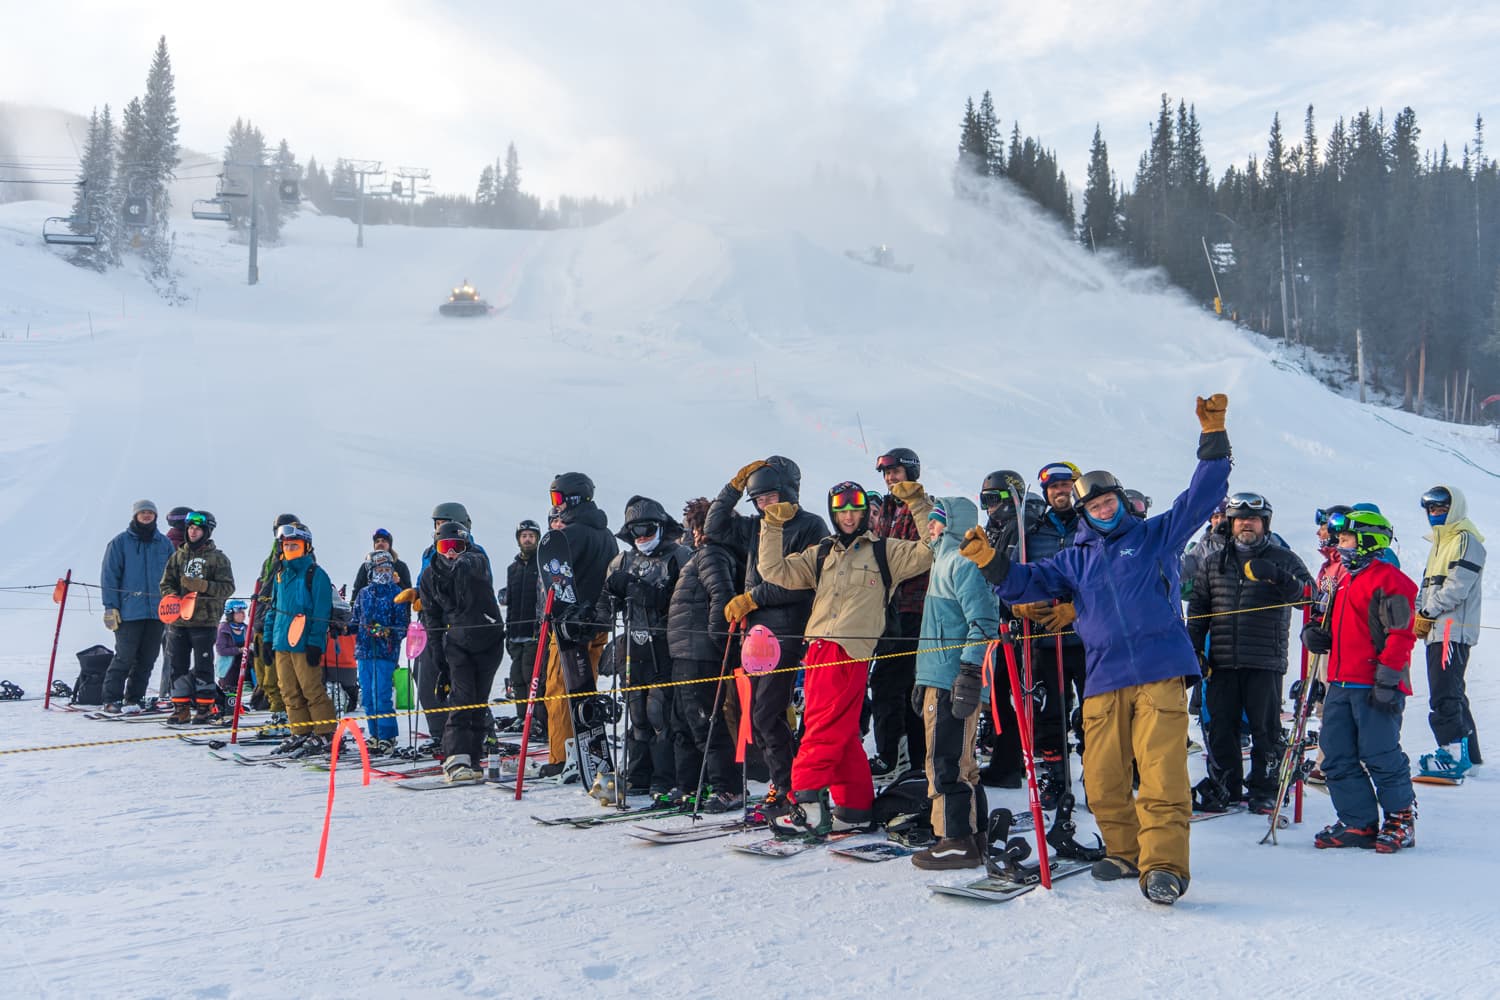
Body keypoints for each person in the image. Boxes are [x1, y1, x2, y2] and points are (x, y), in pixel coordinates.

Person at [960, 394, 1232, 905]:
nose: (1104, 510)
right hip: (1105, 674)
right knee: (1102, 777)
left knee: (1160, 774)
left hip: (1159, 670)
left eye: (1110, 501)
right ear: (1084, 511)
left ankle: (1165, 866)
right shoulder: (1073, 560)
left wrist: (1213, 437)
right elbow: (1023, 584)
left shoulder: (1154, 537)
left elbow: (1202, 495)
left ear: (1121, 501)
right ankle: (1125, 850)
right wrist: (989, 562)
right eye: (1095, 505)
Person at [757, 478, 934, 838]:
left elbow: (931, 549)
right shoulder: (823, 552)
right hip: (818, 648)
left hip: (848, 650)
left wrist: (918, 502)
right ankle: (854, 808)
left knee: (819, 728)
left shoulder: (886, 551)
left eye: (856, 510)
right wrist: (772, 525)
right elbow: (773, 571)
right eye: (841, 511)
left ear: (867, 513)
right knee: (843, 734)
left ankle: (804, 804)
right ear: (833, 513)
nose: (849, 517)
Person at [707, 456, 830, 816]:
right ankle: (787, 783)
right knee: (757, 715)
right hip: (756, 629)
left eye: (769, 496)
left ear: (789, 492)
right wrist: (734, 486)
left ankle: (790, 787)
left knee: (766, 714)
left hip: (788, 626)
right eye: (757, 499)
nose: (764, 505)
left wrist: (752, 597)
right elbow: (715, 527)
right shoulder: (758, 527)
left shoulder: (810, 525)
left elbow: (801, 583)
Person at [1185, 492, 1313, 813]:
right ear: (1231, 523)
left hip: (1265, 658)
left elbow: (1309, 598)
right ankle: (1225, 785)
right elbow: (1198, 608)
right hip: (1222, 660)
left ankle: (1264, 788)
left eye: (1253, 520)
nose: (1246, 525)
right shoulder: (1215, 562)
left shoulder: (1283, 557)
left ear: (1264, 523)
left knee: (1265, 728)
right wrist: (1194, 651)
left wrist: (1279, 577)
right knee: (1221, 727)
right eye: (1240, 519)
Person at [1300, 509, 1419, 852]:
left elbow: (1401, 634)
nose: (1339, 544)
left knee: (1379, 752)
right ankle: (1358, 821)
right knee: (1336, 754)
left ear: (1369, 540)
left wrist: (1387, 680)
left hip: (1375, 683)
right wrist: (1314, 633)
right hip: (1340, 680)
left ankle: (1400, 818)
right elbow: (1325, 618)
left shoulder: (1391, 580)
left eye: (1347, 538)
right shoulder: (1342, 578)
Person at [911, 496, 999, 868]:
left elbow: (984, 621)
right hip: (939, 676)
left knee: (945, 761)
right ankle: (974, 835)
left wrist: (967, 672)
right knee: (961, 760)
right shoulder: (942, 562)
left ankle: (955, 839)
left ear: (953, 524)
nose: (930, 527)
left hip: (953, 680)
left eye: (937, 520)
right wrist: (922, 678)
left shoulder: (961, 563)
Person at [596, 496, 692, 800]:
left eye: (648, 529)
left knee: (660, 714)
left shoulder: (680, 556)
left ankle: (664, 778)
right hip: (633, 647)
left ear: (662, 527)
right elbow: (603, 603)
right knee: (636, 713)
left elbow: (685, 602)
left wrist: (642, 590)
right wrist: (604, 605)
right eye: (636, 531)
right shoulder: (621, 561)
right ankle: (638, 774)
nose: (642, 537)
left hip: (666, 645)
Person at [1008, 461, 1088, 809]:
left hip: (1089, 640)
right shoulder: (1031, 533)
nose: (1061, 491)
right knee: (1048, 714)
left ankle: (1101, 776)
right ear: (1046, 493)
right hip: (1044, 640)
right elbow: (1010, 580)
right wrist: (1017, 607)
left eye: (1067, 484)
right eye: (1054, 487)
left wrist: (1079, 607)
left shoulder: (1091, 528)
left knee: (1096, 713)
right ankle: (1055, 778)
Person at [536, 473, 618, 780]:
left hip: (569, 625)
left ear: (573, 499)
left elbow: (552, 579)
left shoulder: (569, 535)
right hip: (598, 621)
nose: (555, 507)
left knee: (558, 687)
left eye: (557, 499)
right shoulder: (607, 535)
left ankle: (562, 755)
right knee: (586, 685)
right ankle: (585, 748)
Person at [667, 498, 746, 812]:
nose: (693, 533)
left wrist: (716, 641)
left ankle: (727, 787)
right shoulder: (701, 555)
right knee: (682, 722)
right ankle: (690, 784)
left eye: (695, 526)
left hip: (701, 652)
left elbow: (722, 598)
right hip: (684, 650)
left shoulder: (713, 554)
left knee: (705, 723)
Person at [420, 522, 505, 781]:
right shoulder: (429, 576)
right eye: (445, 547)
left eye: (456, 547)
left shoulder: (475, 562)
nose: (450, 553)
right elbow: (432, 619)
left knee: (479, 700)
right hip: (457, 643)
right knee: (462, 698)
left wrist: (465, 560)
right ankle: (456, 758)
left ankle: (475, 756)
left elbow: (477, 564)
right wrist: (438, 657)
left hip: (488, 641)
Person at [406, 502, 491, 750]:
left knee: (462, 681)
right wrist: (418, 594)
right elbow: (427, 581)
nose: (441, 528)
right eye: (437, 524)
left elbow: (476, 585)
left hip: (458, 625)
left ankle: (481, 730)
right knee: (425, 676)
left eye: (444, 523)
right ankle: (439, 733)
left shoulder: (472, 552)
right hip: (431, 625)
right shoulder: (429, 552)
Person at [1415, 484, 1485, 777]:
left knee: (1444, 694)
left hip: (1451, 632)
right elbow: (1427, 586)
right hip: (1437, 629)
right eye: (1431, 509)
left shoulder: (1467, 540)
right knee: (1453, 691)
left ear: (1454, 507)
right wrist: (1419, 612)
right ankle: (1470, 757)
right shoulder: (1439, 544)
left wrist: (1428, 612)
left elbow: (1457, 586)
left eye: (1441, 508)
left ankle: (1452, 753)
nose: (1435, 514)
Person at [869, 447, 929, 778]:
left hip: (914, 608)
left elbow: (926, 547)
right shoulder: (887, 509)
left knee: (897, 685)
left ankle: (896, 756)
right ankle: (902, 755)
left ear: (911, 472)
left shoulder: (923, 505)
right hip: (888, 608)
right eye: (887, 474)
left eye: (896, 472)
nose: (891, 479)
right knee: (892, 685)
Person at [974, 471, 1031, 787]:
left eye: (994, 499)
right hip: (999, 624)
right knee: (999, 696)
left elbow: (1008, 573)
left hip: (1013, 627)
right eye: (985, 500)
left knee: (1002, 698)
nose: (989, 507)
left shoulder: (1017, 529)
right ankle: (1009, 759)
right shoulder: (997, 530)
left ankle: (1008, 764)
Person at [264, 523, 337, 755]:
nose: (290, 549)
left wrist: (316, 642)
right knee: (288, 689)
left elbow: (321, 612)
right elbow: (273, 610)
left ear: (306, 547)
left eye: (295, 545)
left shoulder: (316, 574)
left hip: (304, 643)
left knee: (311, 688)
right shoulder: (279, 575)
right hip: (282, 642)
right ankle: (301, 731)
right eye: (286, 545)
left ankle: (324, 733)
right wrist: (267, 639)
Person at [159, 511, 237, 723]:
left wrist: (204, 586)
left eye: (198, 528)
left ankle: (204, 707)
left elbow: (228, 587)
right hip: (179, 621)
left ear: (206, 531)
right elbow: (165, 583)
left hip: (205, 621)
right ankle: (181, 707)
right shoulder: (177, 556)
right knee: (178, 664)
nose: (193, 532)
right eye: (190, 528)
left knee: (204, 665)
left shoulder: (218, 558)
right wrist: (172, 595)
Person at [100, 501, 176, 714]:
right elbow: (109, 576)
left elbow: (173, 576)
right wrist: (110, 607)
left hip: (157, 612)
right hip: (129, 612)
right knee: (124, 656)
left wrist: (173, 603)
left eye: (150, 512)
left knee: (147, 658)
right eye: (142, 512)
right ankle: (111, 699)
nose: (146, 516)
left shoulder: (164, 543)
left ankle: (134, 698)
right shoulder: (120, 543)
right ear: (135, 515)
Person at [350, 550, 410, 751]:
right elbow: (355, 619)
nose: (384, 573)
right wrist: (345, 627)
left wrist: (388, 632)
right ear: (371, 571)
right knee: (367, 695)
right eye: (379, 569)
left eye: (387, 569)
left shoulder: (396, 593)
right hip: (364, 650)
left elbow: (402, 625)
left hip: (385, 652)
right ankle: (374, 734)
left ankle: (388, 735)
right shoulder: (363, 593)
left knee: (381, 694)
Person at [501, 519, 544, 733]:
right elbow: (510, 602)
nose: (527, 539)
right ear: (518, 539)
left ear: (537, 539)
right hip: (515, 632)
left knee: (531, 677)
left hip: (533, 632)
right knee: (516, 677)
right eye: (524, 536)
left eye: (531, 536)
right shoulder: (513, 568)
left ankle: (536, 717)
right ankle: (521, 716)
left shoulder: (542, 565)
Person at [351, 528, 413, 602]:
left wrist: (398, 583)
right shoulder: (366, 567)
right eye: (377, 541)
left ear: (389, 545)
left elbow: (408, 594)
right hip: (370, 610)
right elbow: (357, 590)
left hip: (394, 610)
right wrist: (353, 608)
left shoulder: (400, 567)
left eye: (384, 541)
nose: (380, 543)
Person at [215, 599, 250, 696]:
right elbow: (221, 650)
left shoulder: (247, 629)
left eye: (243, 612)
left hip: (244, 665)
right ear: (230, 614)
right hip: (228, 667)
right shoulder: (223, 629)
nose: (243, 614)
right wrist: (239, 650)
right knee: (230, 690)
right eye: (239, 612)